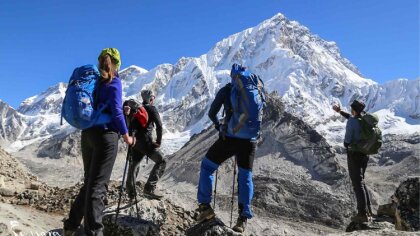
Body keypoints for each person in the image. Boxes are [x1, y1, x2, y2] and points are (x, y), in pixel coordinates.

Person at [64, 48, 134, 236]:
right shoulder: (114, 82)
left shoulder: (95, 82)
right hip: (106, 137)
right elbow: (117, 113)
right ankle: (94, 232)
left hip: (88, 135)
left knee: (89, 184)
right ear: (117, 64)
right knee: (98, 187)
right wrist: (127, 135)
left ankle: (70, 227)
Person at [196, 64, 263, 233]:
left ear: (232, 77)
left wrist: (220, 127)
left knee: (207, 167)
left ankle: (205, 208)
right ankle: (242, 218)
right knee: (245, 176)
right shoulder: (256, 87)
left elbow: (212, 113)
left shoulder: (227, 90)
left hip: (230, 138)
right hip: (250, 141)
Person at [333, 100, 373, 223]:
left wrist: (345, 144)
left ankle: (362, 214)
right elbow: (351, 117)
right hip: (365, 154)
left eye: (351, 109)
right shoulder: (364, 119)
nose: (350, 111)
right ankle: (368, 211)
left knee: (357, 183)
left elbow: (347, 140)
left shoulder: (352, 122)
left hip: (354, 155)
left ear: (354, 110)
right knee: (362, 181)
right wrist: (340, 111)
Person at [125, 89, 166, 200]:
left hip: (135, 142)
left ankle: (131, 193)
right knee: (161, 161)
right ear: (151, 98)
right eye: (153, 97)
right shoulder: (152, 109)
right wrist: (158, 141)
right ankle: (149, 189)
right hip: (146, 142)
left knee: (134, 165)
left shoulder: (136, 109)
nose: (154, 99)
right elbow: (159, 126)